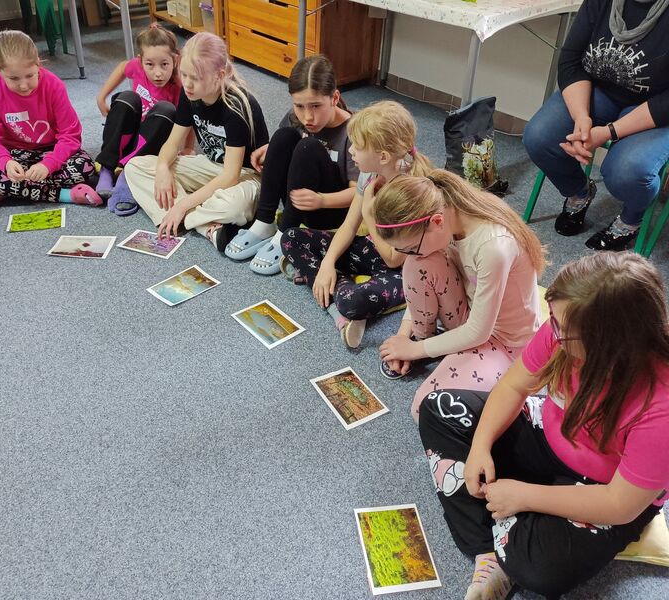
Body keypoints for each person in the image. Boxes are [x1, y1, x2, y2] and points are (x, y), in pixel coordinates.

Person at [418, 252, 669, 600]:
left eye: (563, 330)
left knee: (541, 570)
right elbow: (513, 386)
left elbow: (619, 504)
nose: (552, 330)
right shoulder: (562, 332)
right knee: (439, 409)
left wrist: (524, 496)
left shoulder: (660, 407)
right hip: (547, 438)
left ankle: (513, 532)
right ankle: (488, 550)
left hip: (603, 487)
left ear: (608, 344)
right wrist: (480, 446)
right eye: (553, 317)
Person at [372, 169, 545, 419]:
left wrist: (414, 350)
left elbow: (479, 332)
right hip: (472, 318)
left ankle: (440, 351)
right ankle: (430, 343)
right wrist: (404, 338)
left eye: (410, 248)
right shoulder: (445, 213)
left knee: (426, 410)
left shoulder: (493, 246)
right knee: (417, 265)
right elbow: (419, 274)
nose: (410, 255)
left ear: (436, 222)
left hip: (507, 343)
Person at [280, 101, 433, 348]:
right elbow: (349, 227)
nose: (351, 152)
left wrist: (369, 214)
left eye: (358, 147)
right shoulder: (369, 173)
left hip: (404, 269)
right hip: (372, 249)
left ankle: (336, 303)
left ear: (383, 156)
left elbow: (394, 259)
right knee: (290, 238)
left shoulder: (411, 188)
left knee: (353, 301)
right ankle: (332, 290)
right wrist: (327, 264)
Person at [523, 0, 669, 251]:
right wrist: (581, 117)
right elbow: (570, 60)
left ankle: (630, 220)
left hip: (655, 108)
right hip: (600, 90)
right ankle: (579, 193)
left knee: (628, 172)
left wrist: (609, 132)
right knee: (540, 137)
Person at [124, 32, 269, 247]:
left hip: (244, 176)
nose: (187, 84)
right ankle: (203, 225)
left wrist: (182, 206)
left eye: (196, 78)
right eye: (183, 75)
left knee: (233, 206)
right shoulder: (189, 93)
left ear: (219, 75)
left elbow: (230, 176)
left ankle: (179, 214)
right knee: (135, 167)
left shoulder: (236, 105)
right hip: (211, 167)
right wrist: (162, 168)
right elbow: (172, 143)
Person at [224, 55, 358, 275]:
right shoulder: (297, 117)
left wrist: (322, 200)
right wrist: (271, 151)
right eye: (299, 106)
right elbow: (284, 147)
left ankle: (286, 233)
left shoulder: (353, 132)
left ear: (334, 98)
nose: (308, 117)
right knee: (283, 136)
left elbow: (359, 193)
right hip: (296, 203)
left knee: (308, 147)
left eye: (316, 106)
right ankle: (264, 221)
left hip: (329, 211)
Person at [0, 30, 98, 213]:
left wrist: (49, 164)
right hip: (14, 154)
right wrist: (5, 163)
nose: (23, 85)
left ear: (38, 63)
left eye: (29, 75)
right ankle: (65, 195)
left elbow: (70, 135)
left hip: (50, 150)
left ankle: (5, 191)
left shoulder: (53, 85)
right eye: (13, 78)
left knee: (85, 167)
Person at [95, 23, 193, 215]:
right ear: (141, 61)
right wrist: (102, 96)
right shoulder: (136, 67)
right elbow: (122, 68)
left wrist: (189, 146)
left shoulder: (180, 85)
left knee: (166, 109)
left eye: (164, 64)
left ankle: (127, 176)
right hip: (128, 139)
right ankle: (107, 167)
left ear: (175, 60)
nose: (158, 73)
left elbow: (189, 118)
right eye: (150, 65)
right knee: (126, 98)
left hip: (149, 147)